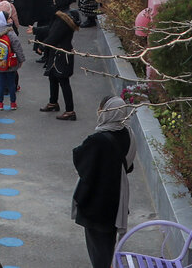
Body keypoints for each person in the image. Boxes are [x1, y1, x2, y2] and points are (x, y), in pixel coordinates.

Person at [73, 97, 136, 268]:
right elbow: (129, 166)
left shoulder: (97, 140)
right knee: (107, 245)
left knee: (98, 250)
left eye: (101, 109)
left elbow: (81, 162)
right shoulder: (129, 134)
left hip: (96, 204)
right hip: (117, 202)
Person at [37, 0, 81, 120]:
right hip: (62, 52)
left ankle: (70, 111)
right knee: (53, 77)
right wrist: (35, 31)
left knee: (63, 81)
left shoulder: (62, 19)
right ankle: (53, 102)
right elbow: (52, 30)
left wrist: (42, 46)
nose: (53, 3)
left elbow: (54, 35)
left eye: (55, 1)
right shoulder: (69, 15)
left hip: (60, 53)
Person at [0, 10, 25, 110]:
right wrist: (21, 60)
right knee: (11, 83)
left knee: (0, 83)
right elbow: (17, 47)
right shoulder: (10, 32)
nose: (10, 20)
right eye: (8, 18)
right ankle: (13, 103)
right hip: (10, 62)